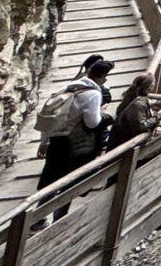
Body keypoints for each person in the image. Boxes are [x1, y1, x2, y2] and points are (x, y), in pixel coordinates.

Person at [38, 56, 114, 189]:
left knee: (50, 183)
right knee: (72, 183)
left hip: (55, 140)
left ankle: (39, 208)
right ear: (101, 76)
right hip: (74, 143)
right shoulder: (94, 94)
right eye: (105, 76)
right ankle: (62, 209)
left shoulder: (69, 87)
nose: (105, 80)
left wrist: (44, 141)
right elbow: (92, 123)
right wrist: (106, 118)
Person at [112, 73, 158, 146]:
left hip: (119, 140)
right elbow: (141, 126)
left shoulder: (132, 97)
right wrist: (157, 117)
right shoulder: (138, 103)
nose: (155, 84)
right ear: (149, 86)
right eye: (154, 82)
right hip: (125, 144)